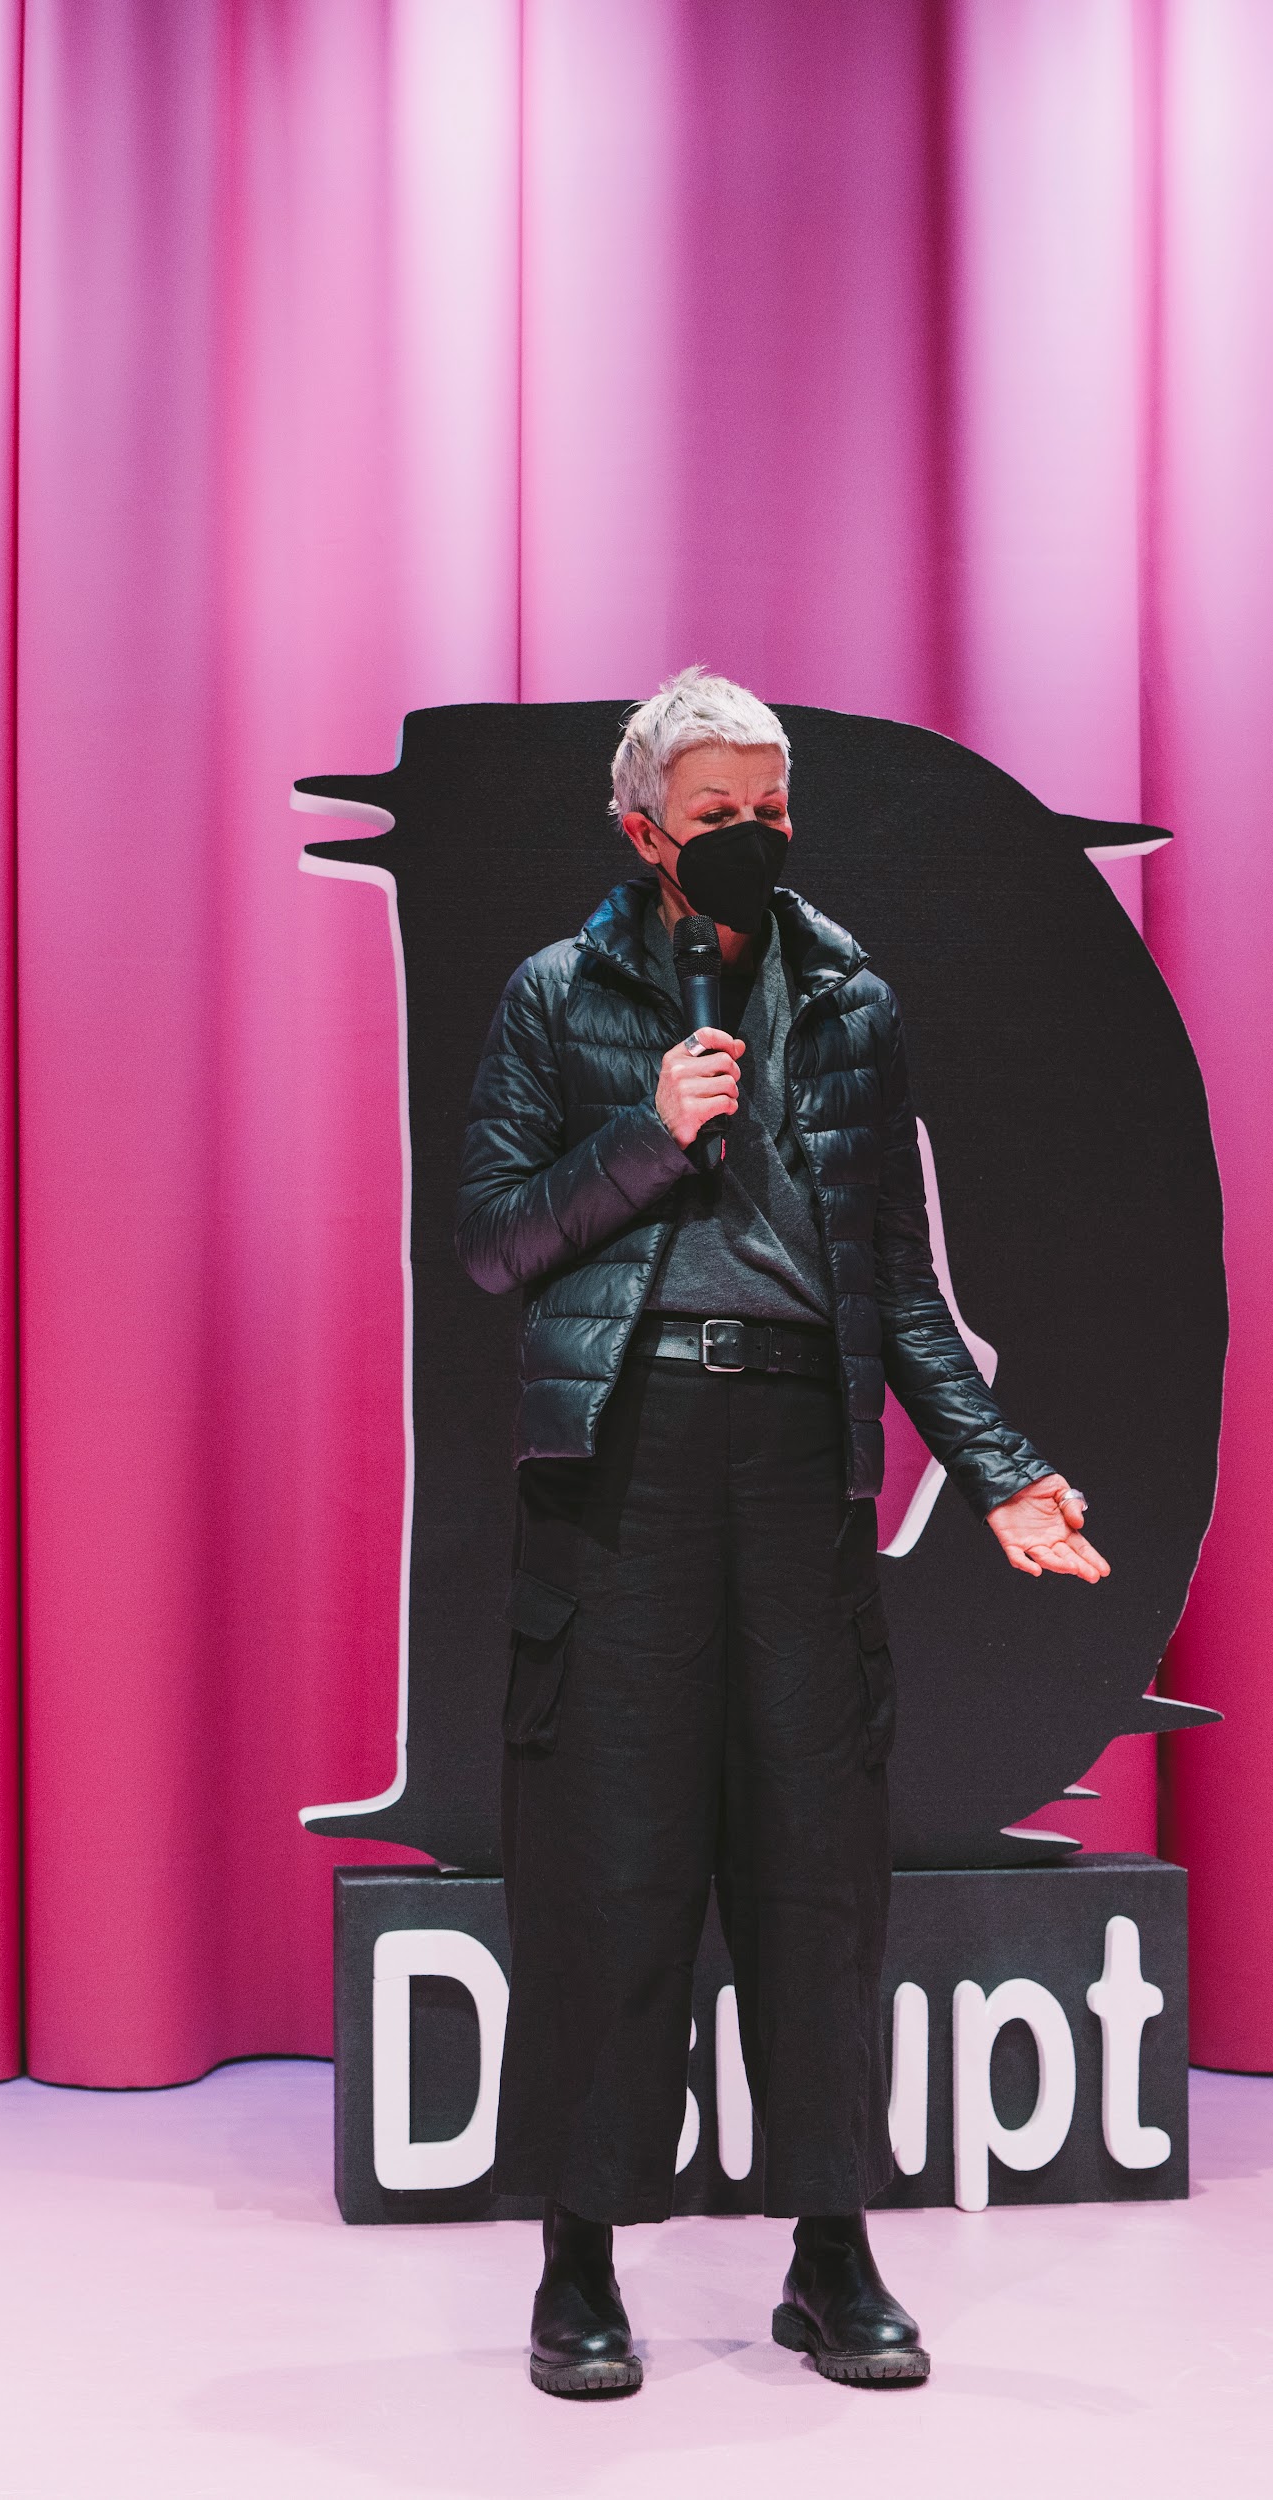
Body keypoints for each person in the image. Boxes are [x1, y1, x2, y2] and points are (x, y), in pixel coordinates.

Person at [455, 668, 1108, 2399]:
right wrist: (648, 1134)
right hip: (626, 1465)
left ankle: (834, 2253)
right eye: (716, 816)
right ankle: (581, 2264)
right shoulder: (556, 992)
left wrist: (1001, 1472)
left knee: (818, 1870)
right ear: (642, 829)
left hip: (795, 1461)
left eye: (772, 811)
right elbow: (495, 1244)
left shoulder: (851, 1000)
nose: (749, 840)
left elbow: (898, 1285)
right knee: (612, 1864)